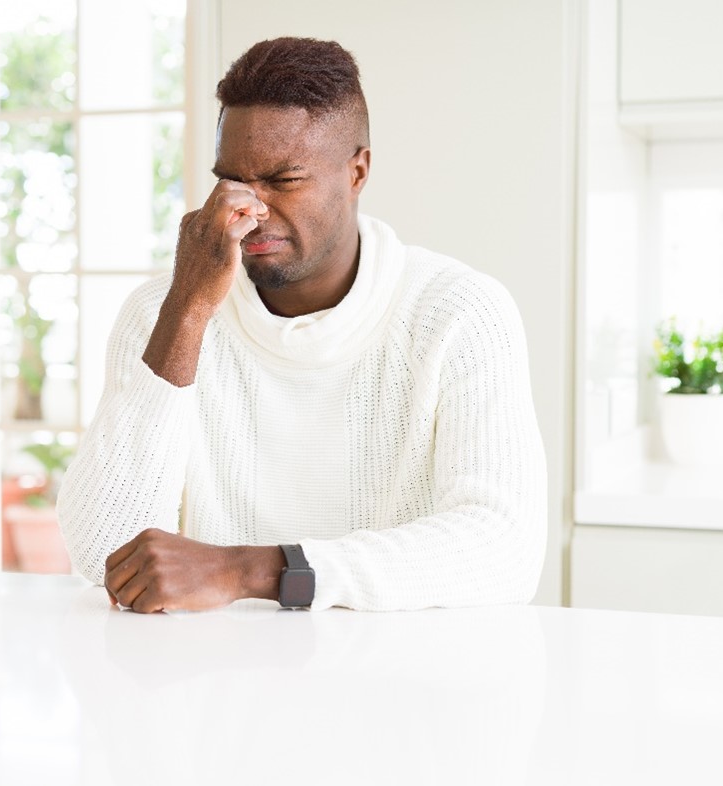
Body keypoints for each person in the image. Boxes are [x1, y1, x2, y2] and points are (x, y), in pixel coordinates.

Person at [57, 37, 547, 612]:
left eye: (284, 181)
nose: (247, 208)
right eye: (231, 179)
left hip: (399, 682)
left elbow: (503, 549)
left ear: (357, 171)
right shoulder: (163, 311)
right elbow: (104, 555)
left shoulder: (460, 312)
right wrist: (187, 310)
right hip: (210, 681)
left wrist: (251, 569)